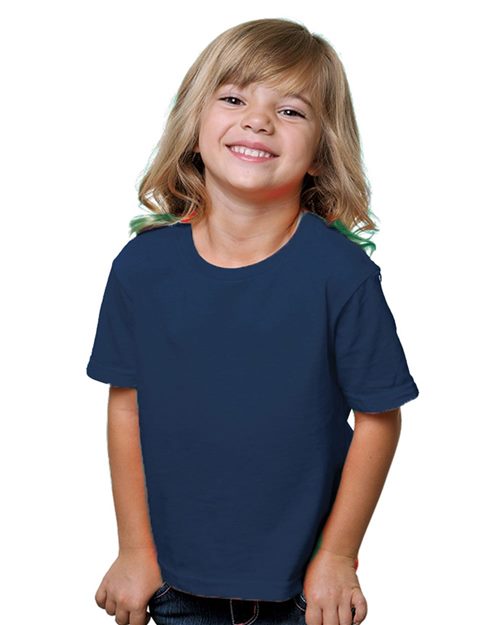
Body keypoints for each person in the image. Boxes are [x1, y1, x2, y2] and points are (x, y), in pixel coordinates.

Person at [86, 17, 419, 625]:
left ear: (321, 154)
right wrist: (135, 550)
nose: (258, 121)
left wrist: (337, 556)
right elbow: (126, 405)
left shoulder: (341, 275)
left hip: (303, 595)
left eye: (290, 111)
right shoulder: (142, 269)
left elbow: (379, 417)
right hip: (174, 587)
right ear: (194, 125)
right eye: (235, 99)